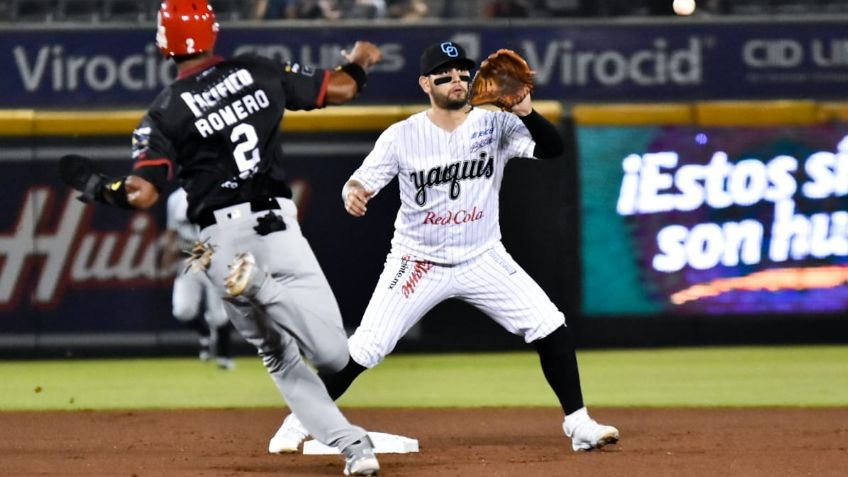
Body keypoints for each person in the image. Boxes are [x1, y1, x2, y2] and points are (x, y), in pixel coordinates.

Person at [62, 0, 384, 474]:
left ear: (162, 44)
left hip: (216, 243)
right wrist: (359, 59)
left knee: (278, 358)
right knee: (335, 356)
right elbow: (340, 87)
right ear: (212, 33)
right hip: (277, 226)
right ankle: (355, 447)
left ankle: (353, 446)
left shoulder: (164, 111)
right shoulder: (258, 69)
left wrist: (101, 190)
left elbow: (143, 193)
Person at [268, 41, 619, 455]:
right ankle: (296, 422)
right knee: (365, 348)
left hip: (482, 256)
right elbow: (360, 180)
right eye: (445, 75)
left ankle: (578, 424)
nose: (456, 80)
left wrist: (525, 110)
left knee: (549, 325)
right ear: (424, 83)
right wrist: (355, 192)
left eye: (462, 73)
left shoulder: (495, 124)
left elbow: (552, 149)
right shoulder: (402, 135)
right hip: (418, 261)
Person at [161, 187, 235, 370]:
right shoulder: (176, 198)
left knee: (218, 315)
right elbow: (172, 230)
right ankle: (206, 334)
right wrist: (167, 254)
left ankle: (224, 357)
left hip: (214, 257)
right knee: (182, 310)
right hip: (188, 257)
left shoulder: (217, 191)